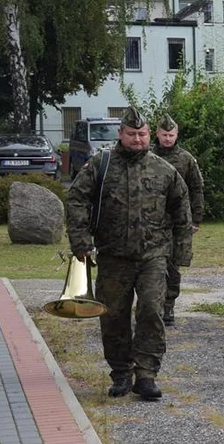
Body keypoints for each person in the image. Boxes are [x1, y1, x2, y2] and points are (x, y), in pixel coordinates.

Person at [66, 107, 192, 401]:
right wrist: (81, 241)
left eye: (143, 134)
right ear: (121, 134)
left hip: (153, 254)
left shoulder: (164, 169)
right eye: (132, 134)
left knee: (151, 310)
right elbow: (76, 199)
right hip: (113, 256)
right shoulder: (101, 165)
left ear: (150, 135)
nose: (138, 139)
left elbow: (181, 209)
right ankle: (121, 372)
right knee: (113, 316)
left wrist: (181, 251)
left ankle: (146, 374)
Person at [151, 113, 204, 327]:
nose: (167, 139)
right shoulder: (148, 156)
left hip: (177, 221)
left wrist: (196, 218)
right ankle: (152, 304)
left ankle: (168, 305)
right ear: (157, 134)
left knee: (173, 264)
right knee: (151, 265)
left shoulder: (186, 159)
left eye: (171, 135)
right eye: (164, 135)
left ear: (177, 134)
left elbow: (197, 188)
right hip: (151, 221)